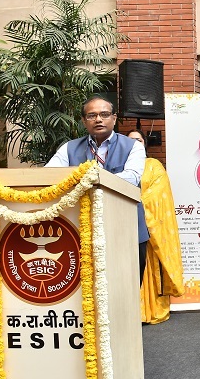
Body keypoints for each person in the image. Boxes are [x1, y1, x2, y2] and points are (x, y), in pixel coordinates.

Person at [46, 96, 148, 277]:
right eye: (92, 115)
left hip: (126, 228)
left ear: (114, 118)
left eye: (104, 114)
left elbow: (131, 178)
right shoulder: (69, 148)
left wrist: (87, 181)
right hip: (82, 229)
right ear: (84, 121)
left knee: (127, 283)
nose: (99, 119)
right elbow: (49, 176)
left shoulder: (133, 147)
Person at [127, 130, 185, 324]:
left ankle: (149, 311)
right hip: (123, 224)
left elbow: (158, 194)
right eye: (130, 141)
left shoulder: (153, 165)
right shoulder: (120, 166)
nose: (135, 143)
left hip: (146, 225)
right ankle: (129, 313)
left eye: (138, 140)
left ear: (144, 143)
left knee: (147, 266)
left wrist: (131, 202)